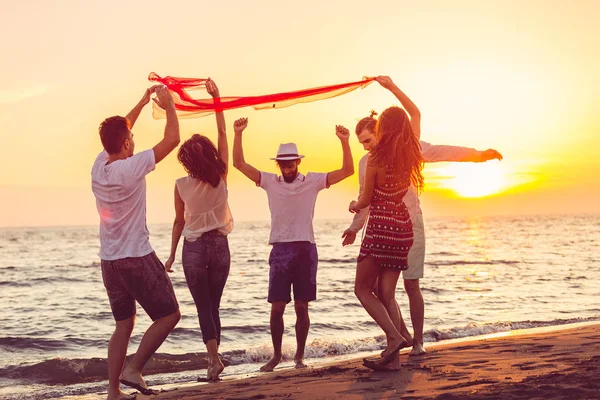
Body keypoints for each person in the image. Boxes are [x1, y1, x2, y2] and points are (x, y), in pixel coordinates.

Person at [343, 76, 503, 357]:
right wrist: (355, 228)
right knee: (384, 291)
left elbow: (444, 150)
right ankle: (399, 337)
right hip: (384, 227)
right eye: (361, 143)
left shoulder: (410, 147)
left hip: (408, 224)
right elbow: (366, 198)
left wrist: (478, 156)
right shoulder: (367, 161)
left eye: (367, 139)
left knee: (409, 285)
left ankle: (415, 341)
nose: (365, 146)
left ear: (379, 130)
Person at [232, 117, 354, 372]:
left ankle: (299, 356)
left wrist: (345, 142)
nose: (286, 169)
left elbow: (347, 172)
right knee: (277, 308)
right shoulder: (269, 182)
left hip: (305, 249)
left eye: (290, 164)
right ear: (279, 165)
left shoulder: (312, 181)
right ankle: (276, 356)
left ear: (298, 162)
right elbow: (238, 163)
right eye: (283, 165)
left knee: (301, 306)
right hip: (279, 249)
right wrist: (238, 133)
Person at [91, 85, 181, 399]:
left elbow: (119, 131)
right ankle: (134, 368)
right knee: (170, 315)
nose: (133, 143)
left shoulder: (98, 167)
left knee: (123, 325)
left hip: (109, 262)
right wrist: (169, 106)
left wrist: (142, 103)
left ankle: (113, 391)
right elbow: (172, 140)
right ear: (127, 143)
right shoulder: (132, 166)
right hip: (136, 257)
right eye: (131, 140)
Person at [349, 83, 424, 370]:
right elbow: (414, 113)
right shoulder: (411, 154)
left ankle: (394, 337)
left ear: (384, 128)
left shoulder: (374, 159)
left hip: (381, 227)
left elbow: (366, 199)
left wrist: (353, 207)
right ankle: (393, 360)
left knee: (362, 289)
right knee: (387, 293)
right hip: (403, 227)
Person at [164, 79, 232, 382]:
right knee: (213, 304)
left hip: (192, 249)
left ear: (187, 160)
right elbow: (221, 132)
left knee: (204, 305)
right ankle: (215, 358)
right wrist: (216, 100)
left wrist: (170, 256)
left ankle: (214, 360)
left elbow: (179, 222)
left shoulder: (180, 185)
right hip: (219, 247)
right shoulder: (220, 173)